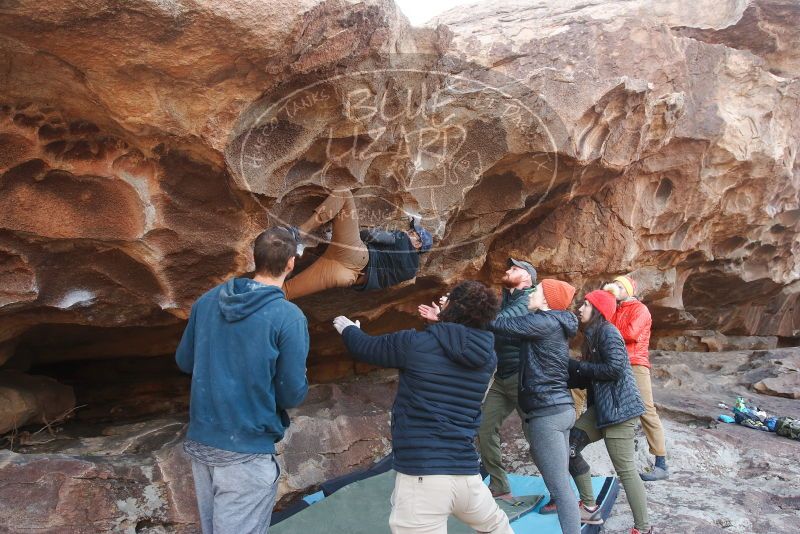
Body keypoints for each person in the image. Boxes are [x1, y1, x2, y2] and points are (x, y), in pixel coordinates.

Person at [333, 281, 513, 534]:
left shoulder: (415, 343)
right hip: (466, 474)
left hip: (423, 475)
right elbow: (452, 343)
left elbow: (366, 348)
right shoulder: (488, 357)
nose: (442, 301)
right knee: (497, 527)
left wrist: (349, 330)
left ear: (453, 308)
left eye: (447, 299)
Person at [176, 227, 310, 534]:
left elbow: (184, 361)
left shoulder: (207, 301)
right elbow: (291, 394)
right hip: (246, 450)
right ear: (291, 263)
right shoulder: (288, 317)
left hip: (202, 441)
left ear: (253, 257)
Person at [418, 258, 536, 500]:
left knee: (538, 435)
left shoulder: (528, 300)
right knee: (484, 428)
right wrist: (447, 316)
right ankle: (500, 485)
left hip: (523, 377)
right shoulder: (508, 299)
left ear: (528, 278)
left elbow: (498, 323)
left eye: (515, 268)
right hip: (503, 377)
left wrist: (456, 309)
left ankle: (567, 489)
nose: (507, 270)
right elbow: (482, 328)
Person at [487, 279, 580, 534]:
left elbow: (499, 324)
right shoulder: (554, 323)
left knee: (561, 489)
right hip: (561, 410)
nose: (531, 293)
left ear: (548, 300)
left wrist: (466, 308)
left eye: (536, 290)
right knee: (557, 476)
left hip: (547, 414)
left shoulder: (543, 322)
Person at [568, 290, 652, 534]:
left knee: (625, 471)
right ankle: (590, 507)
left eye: (585, 305)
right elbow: (592, 377)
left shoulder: (608, 332)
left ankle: (643, 528)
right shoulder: (591, 336)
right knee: (568, 447)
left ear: (597, 310)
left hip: (619, 412)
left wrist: (577, 367)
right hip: (601, 410)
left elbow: (614, 369)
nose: (580, 309)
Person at [282, 188, 433, 300]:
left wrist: (341, 233)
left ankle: (299, 234)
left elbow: (370, 235)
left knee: (344, 194)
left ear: (418, 244)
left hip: (355, 255)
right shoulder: (410, 272)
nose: (409, 233)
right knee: (287, 291)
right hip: (348, 277)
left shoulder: (403, 239)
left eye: (413, 233)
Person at [604, 275, 669, 481]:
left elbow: (631, 333)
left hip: (635, 363)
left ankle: (661, 463)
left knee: (646, 409)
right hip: (615, 362)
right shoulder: (614, 308)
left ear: (628, 291)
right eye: (614, 284)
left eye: (619, 286)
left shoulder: (641, 309)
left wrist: (606, 328)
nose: (615, 287)